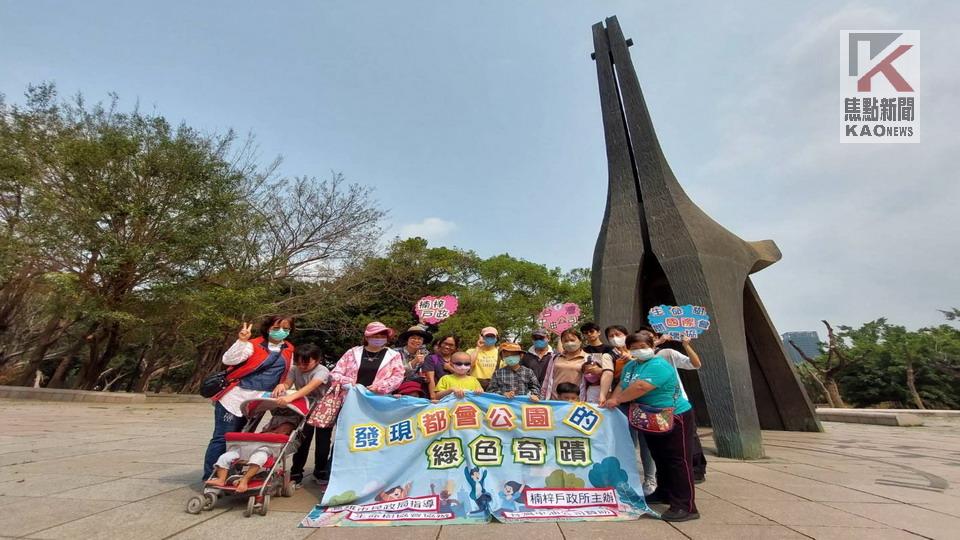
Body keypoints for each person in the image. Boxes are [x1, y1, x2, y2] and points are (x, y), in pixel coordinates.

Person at [603, 332, 699, 522]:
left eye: (642, 346)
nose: (639, 350)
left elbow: (640, 387)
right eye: (634, 348)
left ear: (651, 346)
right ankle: (663, 492)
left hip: (674, 415)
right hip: (650, 416)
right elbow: (624, 384)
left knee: (678, 460)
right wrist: (613, 398)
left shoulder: (658, 365)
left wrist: (617, 400)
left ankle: (685, 506)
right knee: (659, 456)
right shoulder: (631, 365)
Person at [202, 315, 295, 481]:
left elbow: (288, 374)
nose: (281, 332)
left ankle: (231, 472)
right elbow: (229, 360)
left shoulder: (289, 349)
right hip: (234, 398)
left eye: (286, 329)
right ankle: (210, 476)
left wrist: (285, 387)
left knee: (243, 438)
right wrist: (242, 341)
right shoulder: (252, 344)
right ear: (267, 328)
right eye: (276, 328)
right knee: (222, 437)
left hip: (259, 402)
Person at [645, 329, 707, 483]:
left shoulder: (667, 353)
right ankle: (666, 479)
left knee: (688, 439)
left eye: (649, 339)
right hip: (652, 407)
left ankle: (696, 470)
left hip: (677, 404)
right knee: (663, 444)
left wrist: (686, 345)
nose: (645, 343)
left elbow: (695, 364)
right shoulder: (637, 359)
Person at [271, 344, 331, 485]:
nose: (301, 366)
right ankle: (296, 472)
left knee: (322, 442)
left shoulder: (322, 371)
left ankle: (320, 472)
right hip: (304, 408)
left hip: (324, 408)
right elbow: (287, 383)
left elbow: (310, 387)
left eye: (306, 363)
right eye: (298, 362)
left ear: (317, 360)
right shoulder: (294, 368)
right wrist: (282, 386)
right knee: (302, 439)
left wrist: (290, 398)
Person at [205, 410, 297, 493]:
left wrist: (268, 434)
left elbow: (280, 433)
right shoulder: (273, 422)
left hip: (267, 447)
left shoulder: (289, 423)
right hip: (252, 445)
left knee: (258, 458)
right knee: (225, 457)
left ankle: (244, 480)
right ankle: (221, 479)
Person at [330, 321, 405, 395]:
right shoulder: (352, 353)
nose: (379, 339)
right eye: (375, 336)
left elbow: (398, 376)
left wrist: (381, 387)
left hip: (377, 398)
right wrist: (349, 382)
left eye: (383, 336)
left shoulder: (393, 355)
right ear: (366, 337)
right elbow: (335, 373)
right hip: (350, 395)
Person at [540, 328, 588, 400]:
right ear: (562, 343)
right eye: (566, 341)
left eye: (572, 340)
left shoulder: (587, 358)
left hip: (575, 401)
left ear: (580, 341)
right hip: (555, 400)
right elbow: (547, 378)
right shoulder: (555, 357)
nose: (569, 343)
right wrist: (542, 396)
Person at [422, 334, 460, 399]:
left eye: (451, 345)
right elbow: (430, 379)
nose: (447, 347)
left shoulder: (459, 359)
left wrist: (450, 369)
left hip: (457, 394)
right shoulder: (431, 358)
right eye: (445, 343)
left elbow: (465, 376)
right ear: (440, 344)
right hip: (439, 395)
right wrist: (433, 397)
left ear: (455, 347)